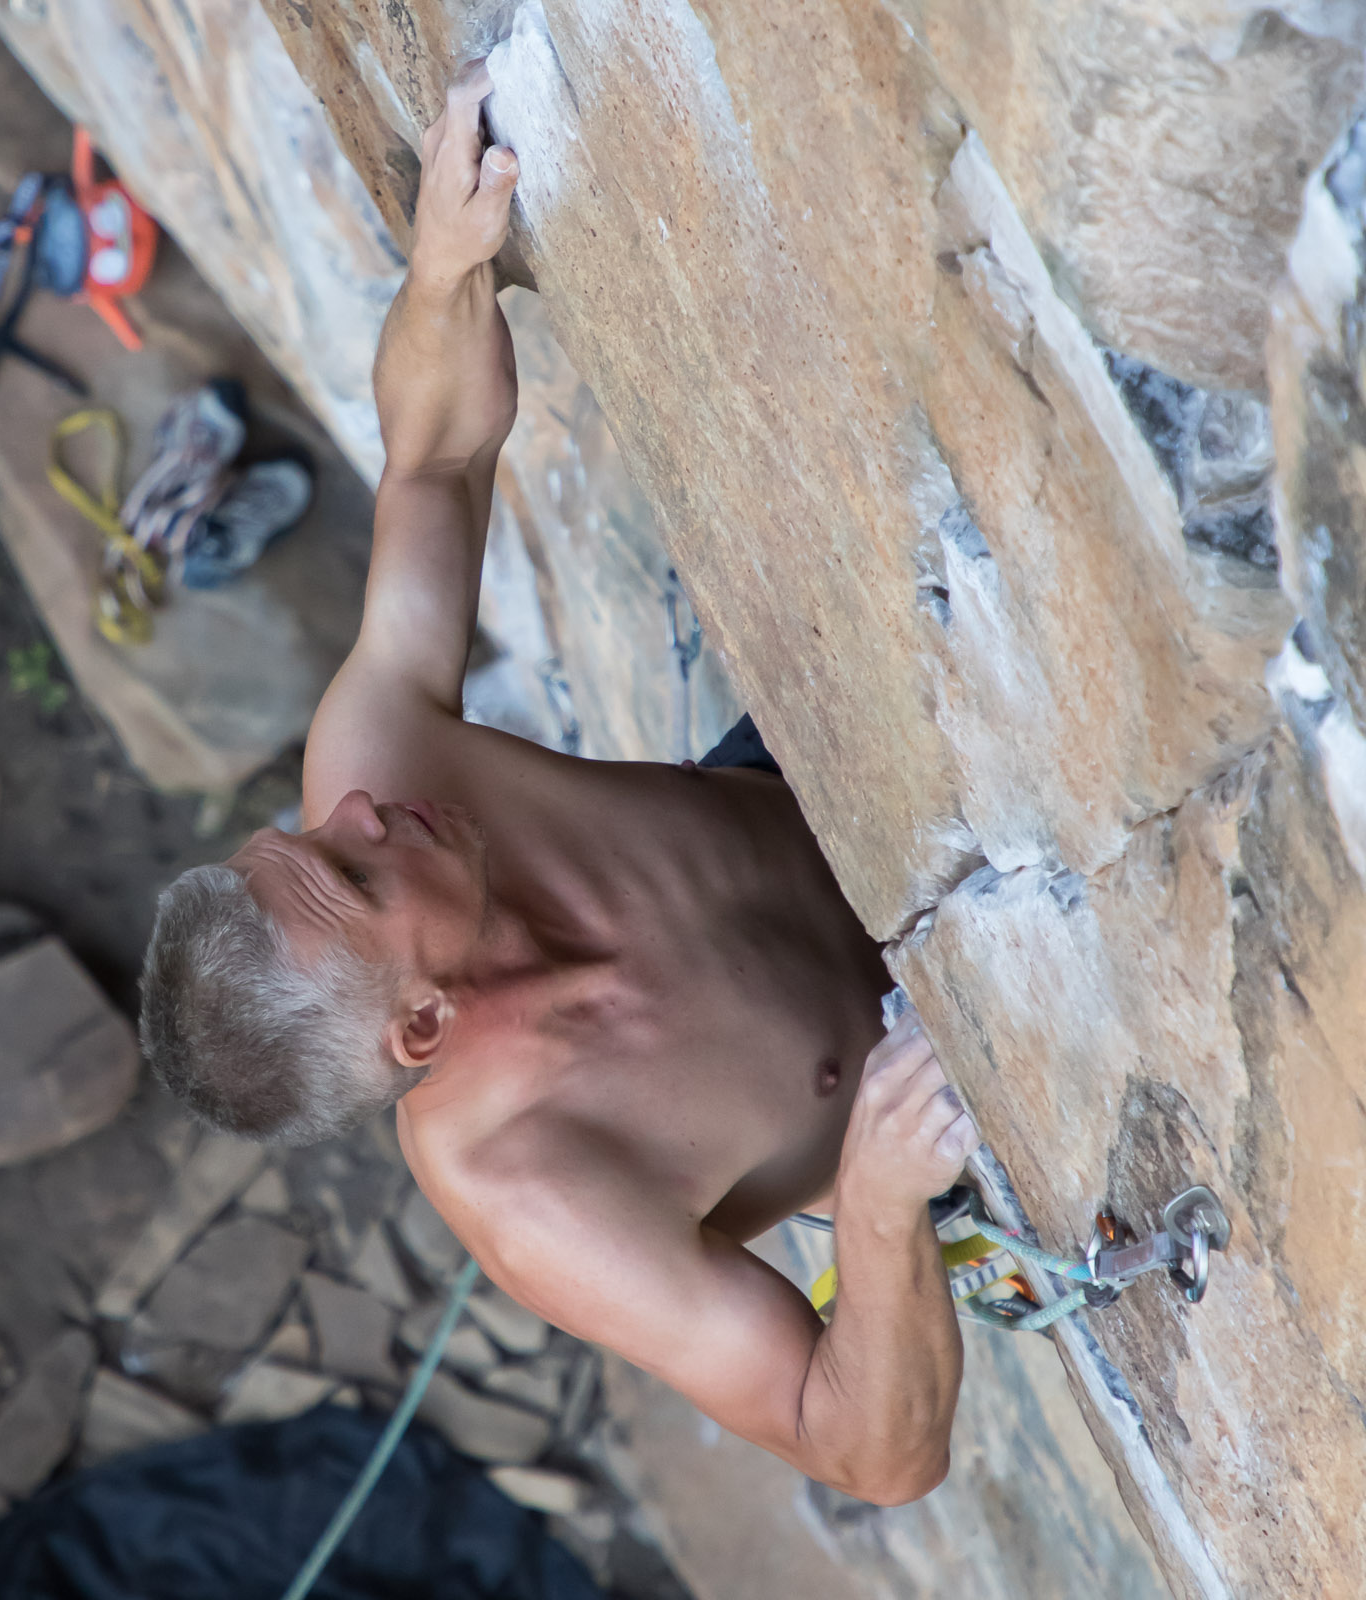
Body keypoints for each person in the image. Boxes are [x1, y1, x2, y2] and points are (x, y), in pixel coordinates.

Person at [139, 62, 979, 1506]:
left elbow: (435, 462)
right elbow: (870, 1455)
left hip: (818, 806)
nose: (353, 809)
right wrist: (889, 1215)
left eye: (308, 835)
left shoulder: (374, 774)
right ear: (418, 1030)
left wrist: (444, 272)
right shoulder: (541, 1199)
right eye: (354, 875)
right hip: (935, 1095)